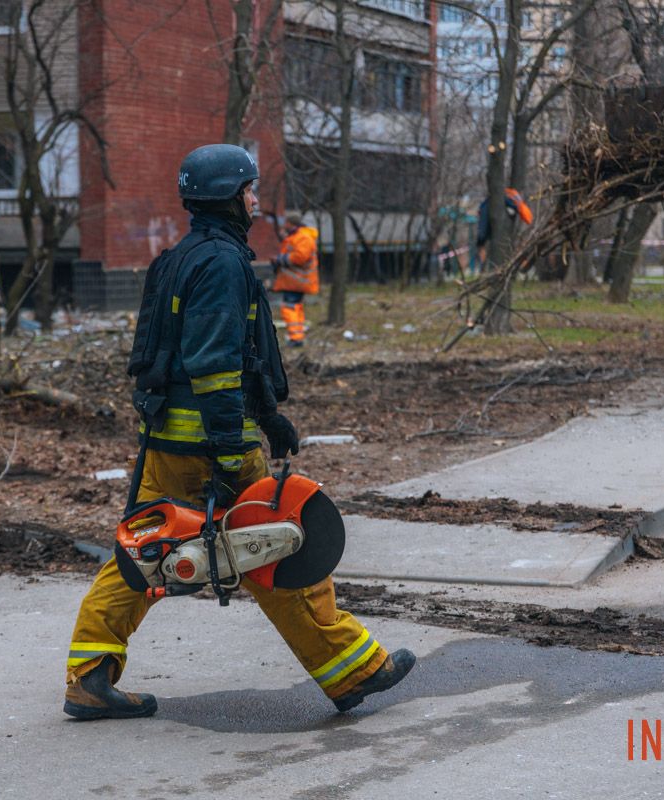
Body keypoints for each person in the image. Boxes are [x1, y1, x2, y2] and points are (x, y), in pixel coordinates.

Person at [63, 144, 415, 720]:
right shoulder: (224, 265)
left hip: (167, 444)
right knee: (280, 542)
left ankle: (89, 675)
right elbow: (215, 366)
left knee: (142, 552)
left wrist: (268, 414)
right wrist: (233, 449)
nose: (255, 200)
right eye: (250, 190)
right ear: (230, 196)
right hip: (210, 446)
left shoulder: (177, 259)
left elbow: (197, 357)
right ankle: (352, 669)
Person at [272, 214, 319, 347]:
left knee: (290, 308)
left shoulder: (303, 237)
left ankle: (296, 338)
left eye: (286, 222)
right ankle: (297, 337)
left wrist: (279, 260)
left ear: (291, 224)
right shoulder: (296, 236)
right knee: (295, 308)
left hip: (297, 281)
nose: (284, 225)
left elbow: (300, 257)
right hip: (295, 281)